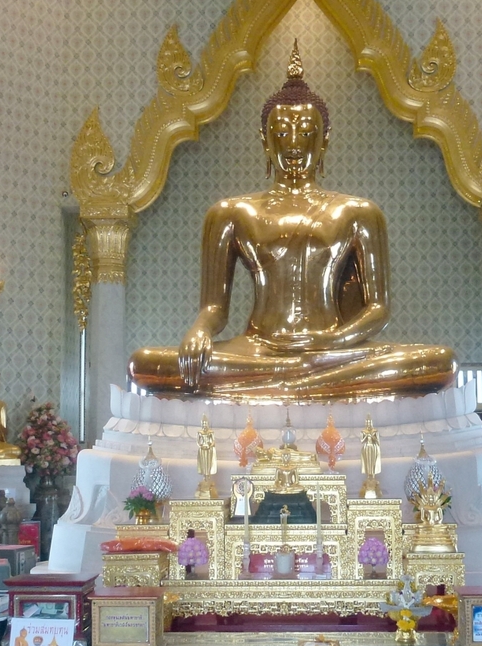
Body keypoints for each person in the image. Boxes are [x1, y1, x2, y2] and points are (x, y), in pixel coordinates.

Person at [129, 43, 456, 400]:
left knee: (439, 363)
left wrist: (329, 340)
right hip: (258, 349)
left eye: (306, 131)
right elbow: (214, 309)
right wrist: (199, 331)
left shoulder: (359, 212)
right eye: (282, 133)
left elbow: (378, 309)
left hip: (333, 351)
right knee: (145, 363)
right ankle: (306, 387)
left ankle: (289, 385)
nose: (294, 143)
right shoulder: (230, 212)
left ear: (325, 139)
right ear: (265, 141)